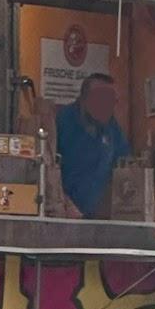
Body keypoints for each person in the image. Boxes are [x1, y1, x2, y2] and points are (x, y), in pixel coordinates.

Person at [55, 73, 129, 217]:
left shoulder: (111, 126)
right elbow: (47, 167)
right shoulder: (63, 122)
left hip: (101, 214)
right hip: (64, 213)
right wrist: (65, 202)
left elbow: (124, 164)